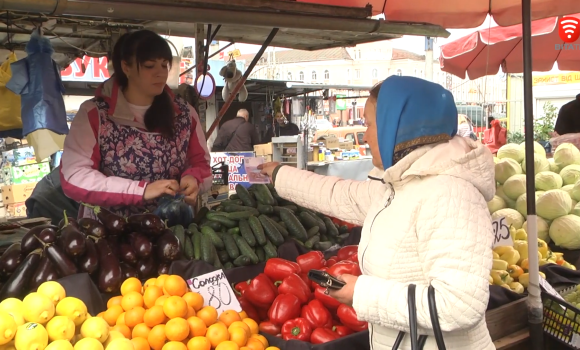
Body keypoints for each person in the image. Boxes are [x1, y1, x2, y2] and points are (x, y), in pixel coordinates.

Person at [260, 76, 495, 350]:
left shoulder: (451, 194)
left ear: (397, 125)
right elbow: (341, 195)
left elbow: (459, 305)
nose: (366, 134)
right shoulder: (403, 184)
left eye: (370, 124)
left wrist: (360, 293)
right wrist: (279, 174)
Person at [60, 30, 212, 218]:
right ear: (126, 67)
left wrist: (193, 178)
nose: (160, 73)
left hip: (171, 231)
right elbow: (74, 177)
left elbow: (202, 165)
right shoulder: (95, 114)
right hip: (107, 233)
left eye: (165, 65)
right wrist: (140, 190)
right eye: (150, 66)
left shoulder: (185, 114)